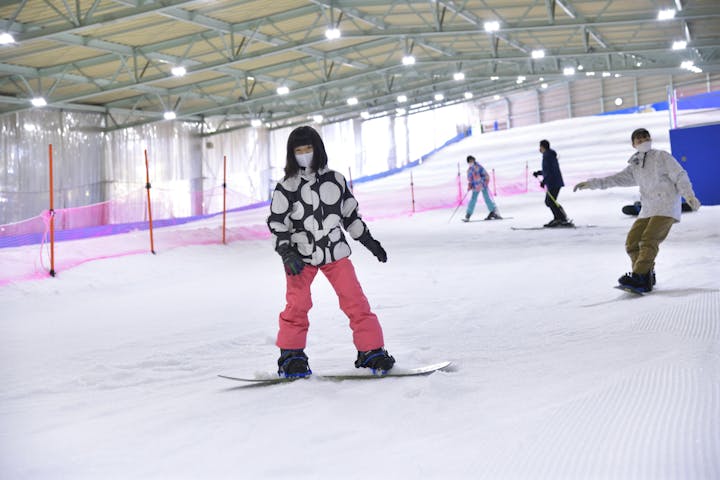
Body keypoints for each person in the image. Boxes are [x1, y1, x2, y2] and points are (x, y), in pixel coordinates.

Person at [267, 125, 395, 378]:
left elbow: (349, 215)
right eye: (298, 150)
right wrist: (286, 251)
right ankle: (291, 355)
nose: (304, 154)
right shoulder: (287, 186)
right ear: (292, 153)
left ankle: (371, 350)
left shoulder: (335, 180)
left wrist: (368, 241)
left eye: (308, 149)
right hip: (300, 255)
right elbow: (278, 222)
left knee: (354, 299)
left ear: (318, 150)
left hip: (334, 251)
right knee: (298, 304)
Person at [574, 128, 701, 293]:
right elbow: (615, 179)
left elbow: (680, 175)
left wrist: (689, 196)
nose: (643, 141)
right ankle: (646, 276)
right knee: (632, 241)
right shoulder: (635, 165)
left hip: (666, 205)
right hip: (648, 208)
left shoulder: (662, 157)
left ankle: (638, 276)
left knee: (649, 239)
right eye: (639, 139)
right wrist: (591, 184)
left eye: (645, 137)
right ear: (633, 144)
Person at [533, 139, 571, 227]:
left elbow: (550, 171)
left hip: (554, 182)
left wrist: (544, 181)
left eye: (540, 147)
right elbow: (548, 170)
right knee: (550, 201)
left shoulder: (547, 156)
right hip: (554, 182)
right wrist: (539, 173)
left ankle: (560, 219)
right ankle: (559, 218)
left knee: (550, 201)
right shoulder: (549, 155)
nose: (539, 149)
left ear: (543, 147)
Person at [463, 155, 501, 222]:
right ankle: (468, 214)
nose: (471, 162)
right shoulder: (469, 170)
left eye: (472, 160)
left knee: (487, 198)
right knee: (473, 199)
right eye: (469, 161)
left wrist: (483, 181)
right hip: (475, 187)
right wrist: (470, 185)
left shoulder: (479, 167)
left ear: (474, 160)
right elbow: (470, 179)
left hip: (482, 185)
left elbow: (486, 176)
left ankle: (493, 212)